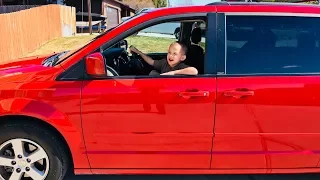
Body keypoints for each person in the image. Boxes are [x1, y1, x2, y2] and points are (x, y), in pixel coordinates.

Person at [129, 41, 198, 75]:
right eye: (169, 52)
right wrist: (139, 52)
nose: (170, 56)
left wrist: (172, 73)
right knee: (153, 73)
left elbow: (194, 71)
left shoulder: (181, 66)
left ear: (182, 58)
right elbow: (151, 62)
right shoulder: (164, 63)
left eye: (175, 54)